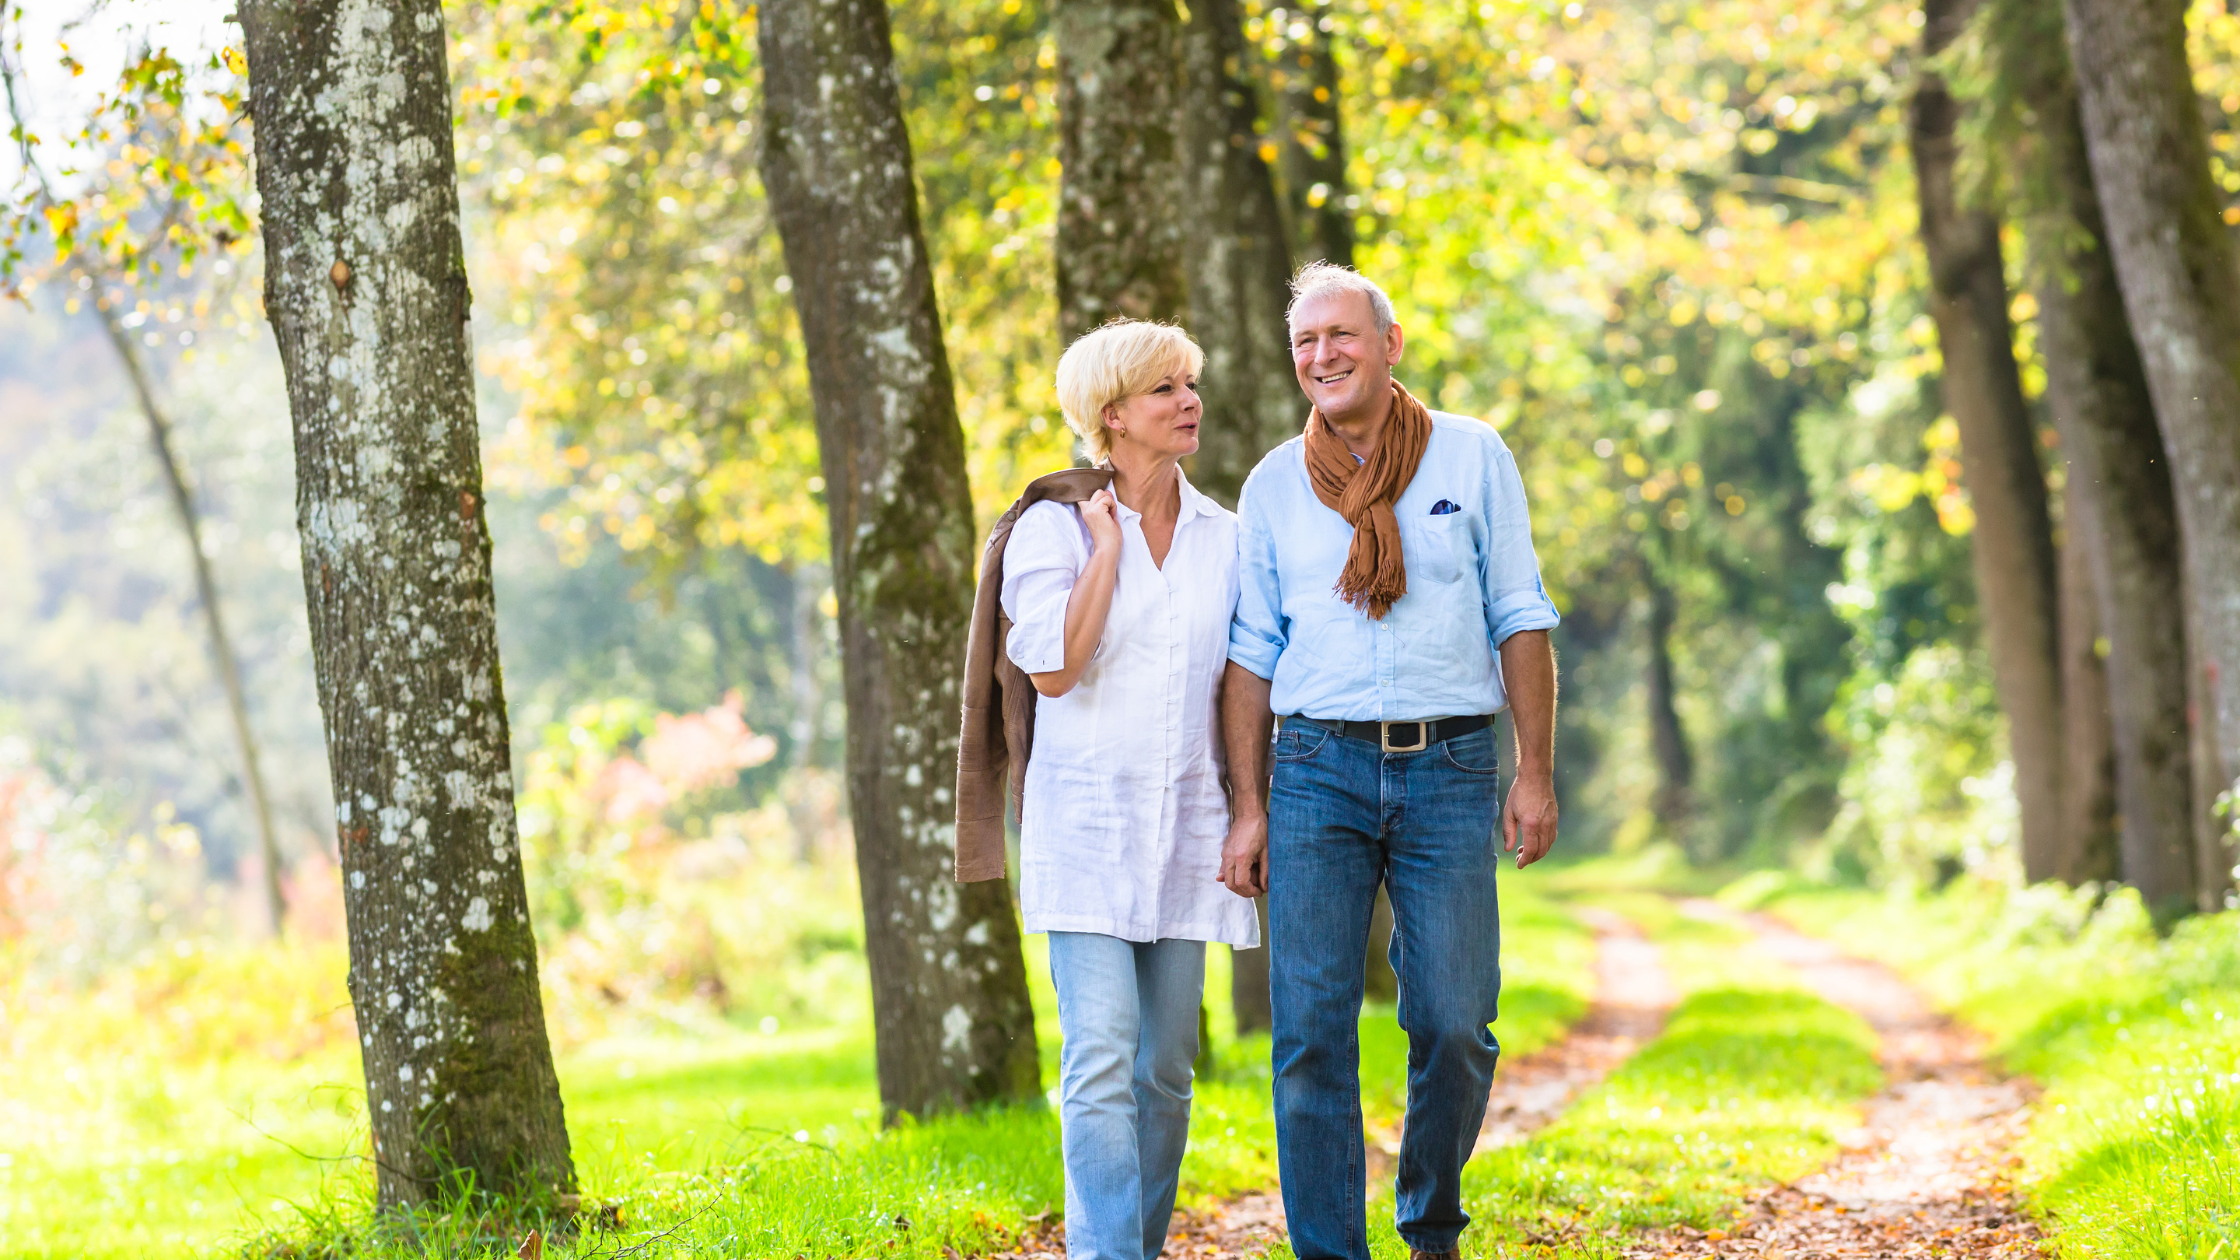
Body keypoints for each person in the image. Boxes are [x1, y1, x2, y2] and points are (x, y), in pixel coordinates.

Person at [1216, 264, 1562, 1260]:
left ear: (1389, 344)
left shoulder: (1471, 455)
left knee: (1456, 1021)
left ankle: (1428, 1217)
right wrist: (1249, 805)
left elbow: (1520, 615)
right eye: (1303, 342)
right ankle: (1330, 1250)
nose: (1320, 356)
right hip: (1314, 768)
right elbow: (1250, 652)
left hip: (1449, 765)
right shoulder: (1275, 483)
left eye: (1340, 336)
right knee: (1310, 1035)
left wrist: (1530, 771)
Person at [1001, 320, 1258, 1260]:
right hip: (1086, 827)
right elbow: (1055, 670)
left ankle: (1136, 1247)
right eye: (1166, 389)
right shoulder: (1049, 527)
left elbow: (1243, 682)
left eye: (1190, 384)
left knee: (1167, 1071)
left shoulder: (1223, 536)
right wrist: (1105, 552)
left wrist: (1251, 811)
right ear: (1111, 414)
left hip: (1190, 824)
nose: (1190, 402)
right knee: (1102, 1053)